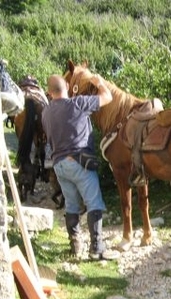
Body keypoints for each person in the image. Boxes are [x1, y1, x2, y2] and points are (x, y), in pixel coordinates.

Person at [42, 74, 120, 260]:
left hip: (59, 164)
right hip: (79, 162)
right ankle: (97, 247)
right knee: (94, 202)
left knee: (71, 205)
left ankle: (75, 246)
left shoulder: (46, 112)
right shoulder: (78, 104)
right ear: (68, 86)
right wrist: (100, 83)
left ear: (49, 92)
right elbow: (107, 97)